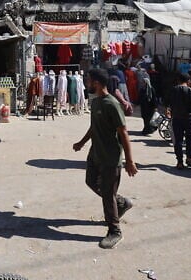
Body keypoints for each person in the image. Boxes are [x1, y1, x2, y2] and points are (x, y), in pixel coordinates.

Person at [73, 68, 138, 249]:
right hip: (95, 154)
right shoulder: (95, 102)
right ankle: (122, 203)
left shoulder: (112, 104)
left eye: (88, 80)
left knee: (107, 195)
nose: (86, 82)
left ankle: (115, 231)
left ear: (97, 83)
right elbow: (94, 127)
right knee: (91, 181)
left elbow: (123, 133)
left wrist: (130, 161)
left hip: (110, 157)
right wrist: (81, 143)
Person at [166, 73, 191, 169]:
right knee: (190, 139)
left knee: (178, 140)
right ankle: (189, 158)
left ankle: (179, 162)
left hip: (176, 118)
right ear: (188, 81)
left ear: (178, 80)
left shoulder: (173, 90)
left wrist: (168, 111)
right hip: (188, 119)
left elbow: (167, 103)